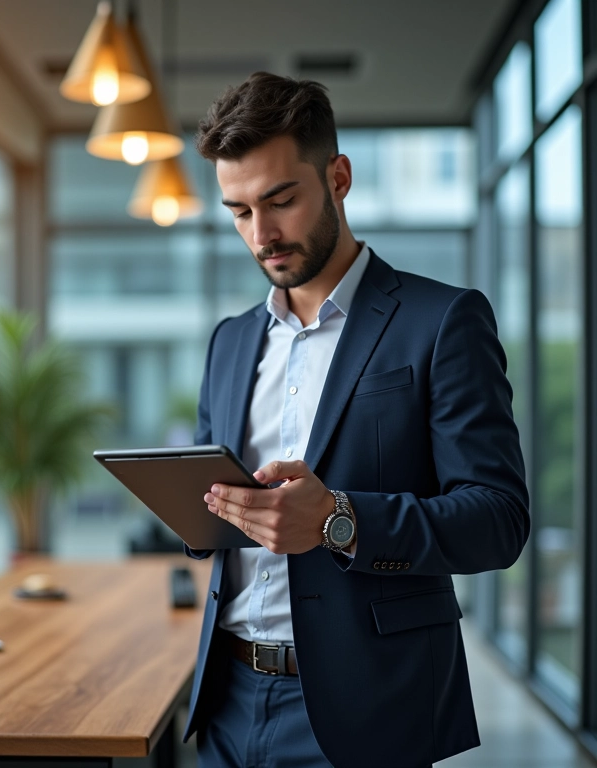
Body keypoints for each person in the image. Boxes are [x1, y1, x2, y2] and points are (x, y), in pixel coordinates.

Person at [182, 72, 530, 768]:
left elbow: (497, 521)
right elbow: (213, 518)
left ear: (338, 177)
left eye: (281, 200)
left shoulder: (442, 321)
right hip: (226, 699)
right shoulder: (229, 341)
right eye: (240, 211)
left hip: (367, 709)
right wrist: (198, 508)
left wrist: (337, 518)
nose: (263, 234)